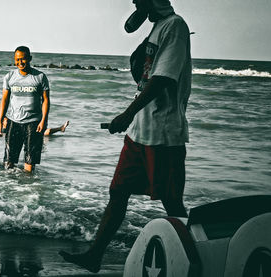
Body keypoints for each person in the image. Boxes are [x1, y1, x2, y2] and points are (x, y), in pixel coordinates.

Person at [59, 0, 192, 273]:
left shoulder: (175, 26)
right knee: (117, 192)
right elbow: (144, 74)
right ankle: (94, 255)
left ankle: (194, 259)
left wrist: (128, 113)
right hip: (139, 133)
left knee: (171, 201)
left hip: (164, 133)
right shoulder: (156, 28)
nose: (132, 1)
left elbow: (163, 79)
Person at [0, 46, 50, 173]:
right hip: (13, 121)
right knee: (9, 162)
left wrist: (43, 121)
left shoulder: (40, 77)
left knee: (30, 161)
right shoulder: (9, 77)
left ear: (30, 58)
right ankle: (11, 187)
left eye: (23, 59)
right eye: (17, 60)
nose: (20, 62)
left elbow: (46, 100)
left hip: (33, 122)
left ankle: (29, 188)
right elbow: (4, 99)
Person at [2, 118, 68, 136]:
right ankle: (61, 128)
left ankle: (60, 128)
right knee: (45, 132)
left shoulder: (10, 127)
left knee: (45, 132)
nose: (8, 121)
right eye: (6, 121)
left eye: (7, 120)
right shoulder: (4, 130)